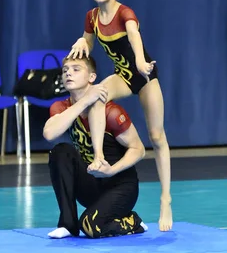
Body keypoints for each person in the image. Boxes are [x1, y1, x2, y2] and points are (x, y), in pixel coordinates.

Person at [68, 0, 172, 231]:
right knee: (97, 94)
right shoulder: (91, 17)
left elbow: (135, 36)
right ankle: (99, 156)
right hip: (123, 75)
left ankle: (165, 199)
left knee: (157, 137)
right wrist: (82, 42)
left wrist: (139, 61)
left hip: (144, 74)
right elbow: (89, 43)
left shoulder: (125, 13)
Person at [43, 55, 148, 239]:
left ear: (92, 77)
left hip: (120, 185)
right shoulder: (61, 107)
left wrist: (112, 170)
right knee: (60, 152)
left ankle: (132, 220)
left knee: (90, 227)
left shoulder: (111, 112)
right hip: (92, 181)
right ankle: (67, 224)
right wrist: (84, 101)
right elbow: (49, 134)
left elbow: (139, 149)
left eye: (76, 69)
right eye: (65, 70)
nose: (68, 73)